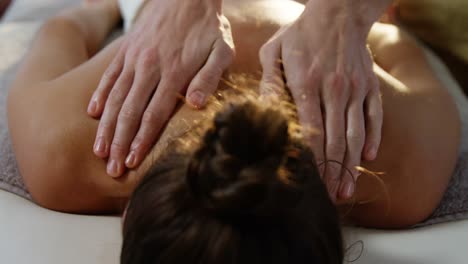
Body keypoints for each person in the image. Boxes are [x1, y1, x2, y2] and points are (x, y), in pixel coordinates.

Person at [7, 0, 459, 262]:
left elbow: (395, 43)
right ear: (129, 220)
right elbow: (66, 29)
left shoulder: (405, 171)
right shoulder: (60, 147)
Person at [86, 0, 392, 201]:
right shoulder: (61, 151)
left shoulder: (399, 177)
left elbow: (400, 47)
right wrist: (343, 17)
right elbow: (398, 40)